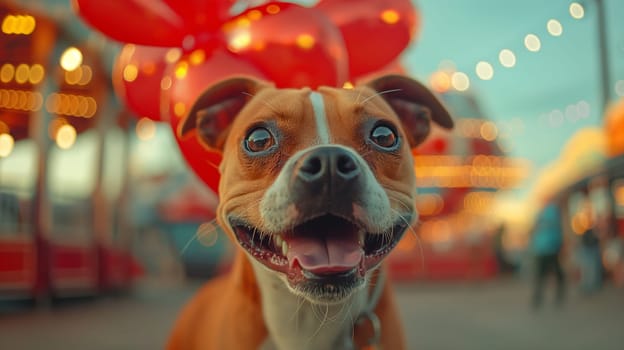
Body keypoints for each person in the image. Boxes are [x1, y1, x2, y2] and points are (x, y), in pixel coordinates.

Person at [530, 202, 565, 309]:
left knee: (541, 276)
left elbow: (534, 231)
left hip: (541, 249)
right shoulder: (553, 213)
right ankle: (558, 296)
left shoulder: (540, 214)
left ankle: (537, 298)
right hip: (551, 249)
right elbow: (557, 230)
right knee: (557, 274)